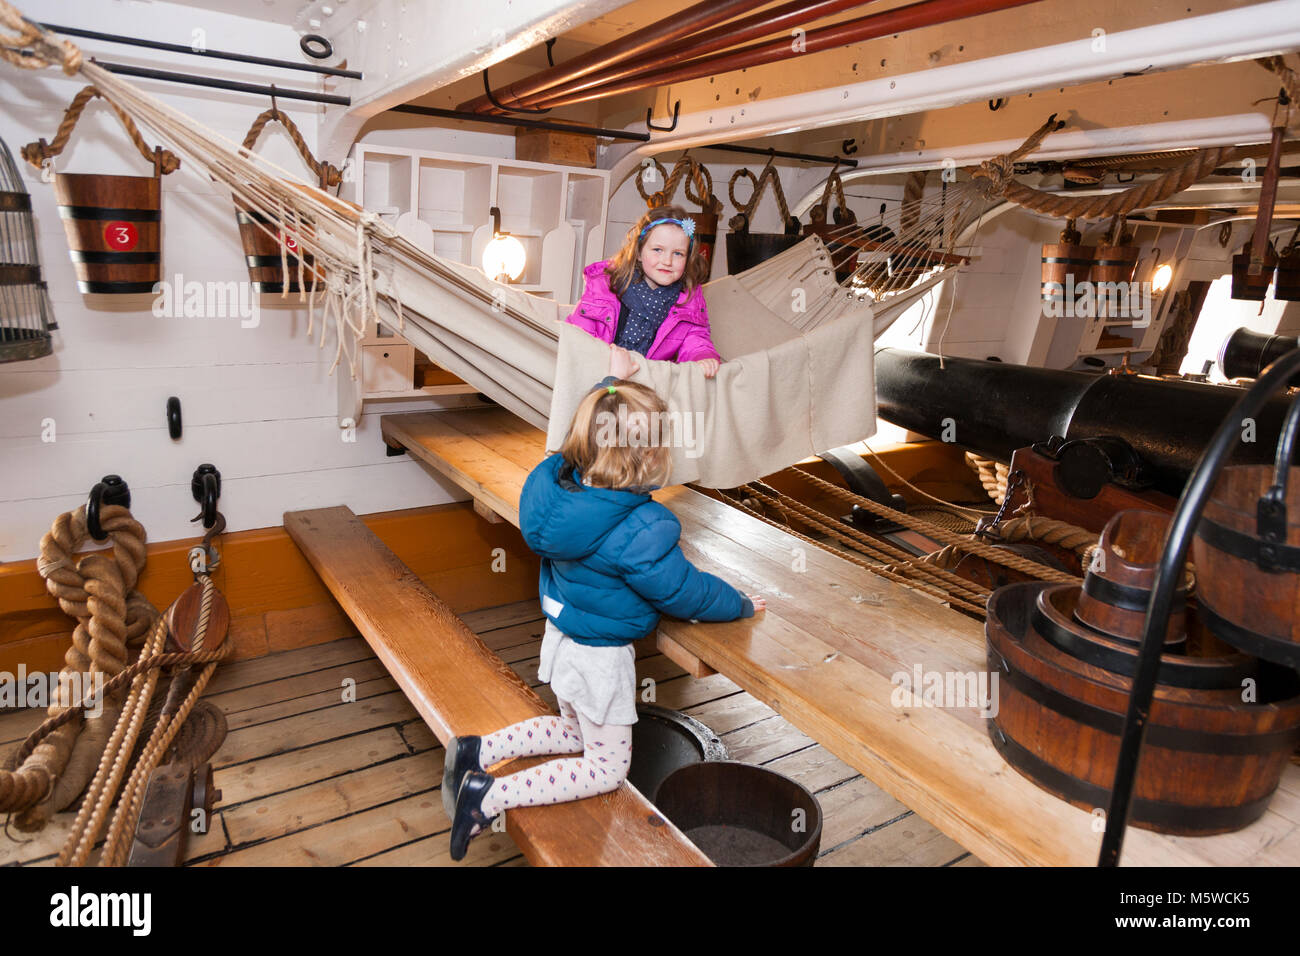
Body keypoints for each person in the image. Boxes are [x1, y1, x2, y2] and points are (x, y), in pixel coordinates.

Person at [444, 377, 765, 860]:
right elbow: (685, 592)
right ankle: (486, 798)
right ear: (648, 459)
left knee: (571, 730)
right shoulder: (641, 527)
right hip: (599, 660)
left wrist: (607, 397)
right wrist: (738, 603)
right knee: (605, 768)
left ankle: (475, 750)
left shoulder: (558, 492)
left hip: (562, 636)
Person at [565, 204, 724, 379]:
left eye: (678, 254)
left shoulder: (688, 301)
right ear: (639, 252)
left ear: (688, 259)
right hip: (601, 373)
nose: (667, 261)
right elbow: (580, 333)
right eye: (658, 250)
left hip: (649, 381)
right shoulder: (605, 286)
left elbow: (695, 339)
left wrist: (702, 357)